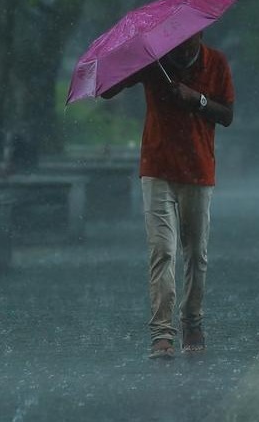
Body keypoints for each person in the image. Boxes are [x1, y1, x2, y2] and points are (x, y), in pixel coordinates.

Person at [101, 30, 234, 360]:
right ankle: (162, 332)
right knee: (162, 250)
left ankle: (192, 322)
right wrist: (126, 62)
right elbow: (108, 91)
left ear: (201, 34)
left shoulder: (215, 62)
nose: (182, 45)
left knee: (196, 253)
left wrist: (197, 99)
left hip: (199, 170)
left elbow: (227, 115)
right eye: (176, 40)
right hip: (157, 168)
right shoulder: (154, 62)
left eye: (189, 39)